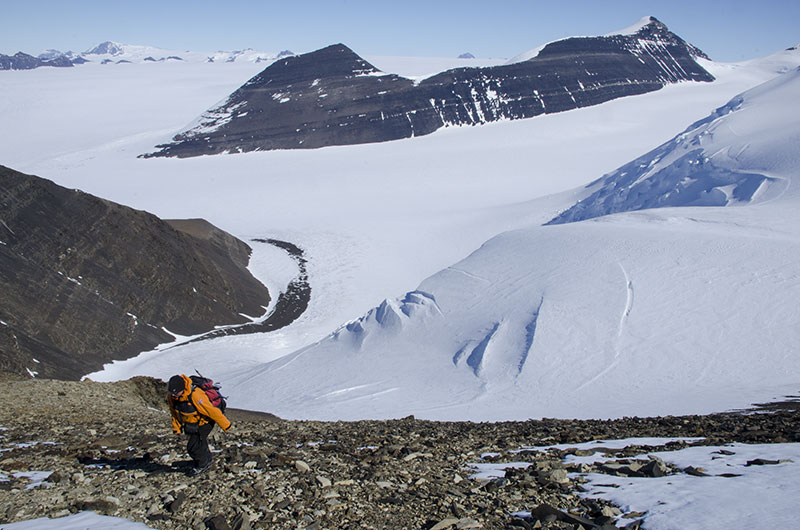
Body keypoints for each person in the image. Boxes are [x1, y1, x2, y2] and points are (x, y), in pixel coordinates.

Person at [167, 374, 231, 475]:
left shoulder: (195, 395)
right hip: (191, 424)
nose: (174, 395)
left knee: (193, 447)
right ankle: (204, 459)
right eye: (172, 393)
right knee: (199, 442)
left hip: (205, 422)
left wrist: (226, 425)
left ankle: (203, 464)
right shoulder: (173, 397)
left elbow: (211, 411)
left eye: (176, 393)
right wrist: (177, 428)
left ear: (182, 388)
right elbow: (174, 413)